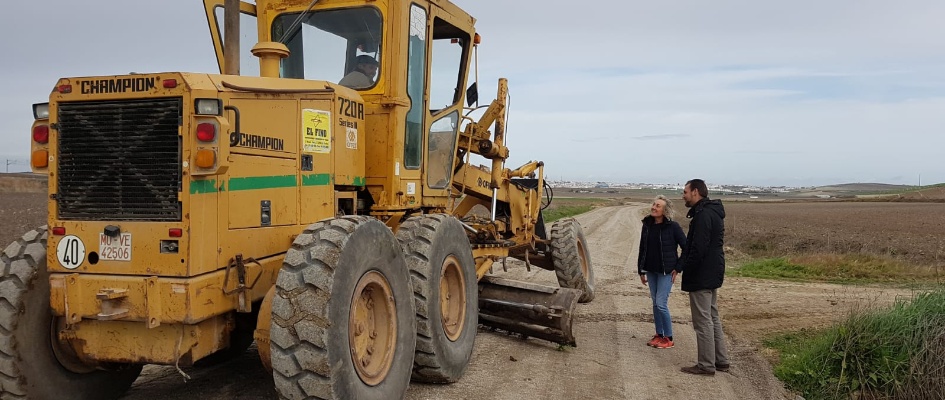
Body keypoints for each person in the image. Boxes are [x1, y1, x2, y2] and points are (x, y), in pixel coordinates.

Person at [679, 179, 730, 376]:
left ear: (696, 192)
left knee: (702, 321)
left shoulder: (702, 216)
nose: (683, 195)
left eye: (685, 191)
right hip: (714, 270)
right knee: (712, 316)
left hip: (702, 273)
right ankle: (721, 360)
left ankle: (706, 365)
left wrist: (684, 267)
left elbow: (697, 248)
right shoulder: (713, 212)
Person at [637, 195, 686, 350]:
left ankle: (669, 337)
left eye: (658, 206)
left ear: (665, 210)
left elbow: (687, 248)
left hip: (666, 272)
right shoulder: (647, 225)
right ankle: (659, 335)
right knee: (655, 304)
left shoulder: (673, 227)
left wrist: (678, 268)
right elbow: (642, 249)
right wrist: (641, 270)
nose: (654, 207)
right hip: (651, 270)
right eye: (653, 204)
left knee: (661, 304)